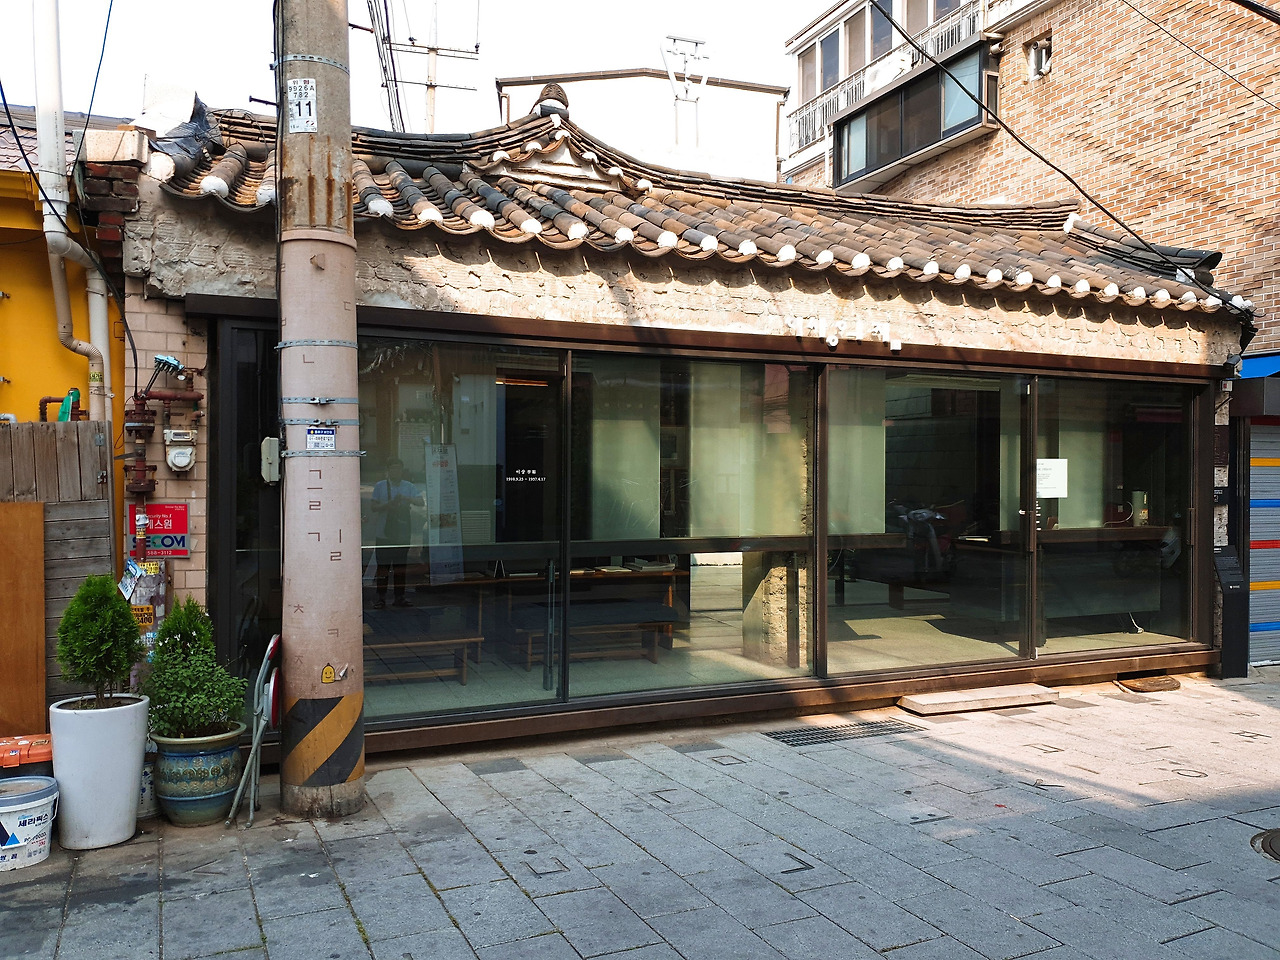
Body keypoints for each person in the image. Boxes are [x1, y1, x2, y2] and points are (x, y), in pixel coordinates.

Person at [370, 458, 421, 608]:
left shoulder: (408, 486)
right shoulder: (380, 486)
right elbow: (373, 507)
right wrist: (389, 505)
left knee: (400, 567)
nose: (396, 471)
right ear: (388, 470)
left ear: (402, 470)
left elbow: (421, 502)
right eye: (393, 468)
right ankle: (381, 598)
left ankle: (399, 597)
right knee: (383, 567)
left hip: (402, 533)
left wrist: (405, 498)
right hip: (384, 534)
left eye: (398, 468)